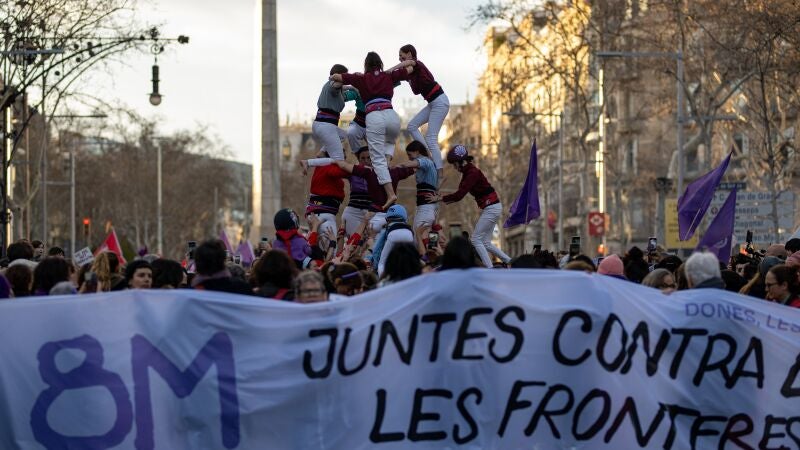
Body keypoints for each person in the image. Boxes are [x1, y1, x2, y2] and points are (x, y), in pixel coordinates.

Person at [331, 51, 415, 210]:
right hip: (391, 116)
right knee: (389, 142)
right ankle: (387, 162)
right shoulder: (388, 76)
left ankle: (390, 193)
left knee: (377, 159)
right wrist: (395, 68)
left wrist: (337, 79)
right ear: (380, 64)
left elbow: (337, 77)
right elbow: (410, 68)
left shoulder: (361, 78)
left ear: (366, 65)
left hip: (374, 116)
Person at [428, 145, 510, 268]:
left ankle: (490, 268)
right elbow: (458, 192)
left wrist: (440, 198)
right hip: (493, 207)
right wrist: (442, 196)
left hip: (491, 208)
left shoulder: (472, 173)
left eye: (454, 165)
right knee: (486, 242)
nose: (454, 168)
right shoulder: (468, 172)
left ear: (461, 162)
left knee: (476, 239)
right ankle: (509, 261)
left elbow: (459, 195)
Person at [302, 153, 415, 234]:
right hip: (354, 212)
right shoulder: (362, 171)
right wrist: (332, 160)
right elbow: (340, 168)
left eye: (368, 158)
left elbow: (414, 168)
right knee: (354, 241)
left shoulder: (393, 171)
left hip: (375, 213)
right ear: (358, 159)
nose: (366, 161)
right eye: (363, 158)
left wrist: (419, 162)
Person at [394, 44, 449, 179]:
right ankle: (426, 155)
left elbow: (408, 63)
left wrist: (389, 70)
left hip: (440, 102)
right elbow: (396, 77)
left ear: (410, 54)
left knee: (431, 137)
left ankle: (439, 170)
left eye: (402, 55)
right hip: (433, 103)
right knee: (411, 126)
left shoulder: (417, 64)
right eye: (399, 56)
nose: (400, 58)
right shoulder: (409, 74)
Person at [394, 140, 439, 230]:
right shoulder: (428, 165)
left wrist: (395, 167)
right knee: (419, 236)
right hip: (426, 207)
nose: (409, 158)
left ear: (417, 152)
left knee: (419, 237)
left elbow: (411, 164)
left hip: (426, 208)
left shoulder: (425, 161)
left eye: (410, 155)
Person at [312, 64, 350, 161]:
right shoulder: (333, 85)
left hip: (324, 124)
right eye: (345, 76)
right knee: (339, 159)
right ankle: (308, 163)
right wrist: (350, 81)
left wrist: (353, 87)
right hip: (326, 125)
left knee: (344, 135)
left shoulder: (330, 85)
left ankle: (322, 152)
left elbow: (342, 87)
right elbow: (336, 86)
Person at [371, 205, 414, 278]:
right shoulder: (406, 225)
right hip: (409, 234)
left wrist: (375, 264)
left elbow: (377, 247)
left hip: (393, 235)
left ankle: (383, 281)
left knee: (382, 263)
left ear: (387, 219)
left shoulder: (386, 228)